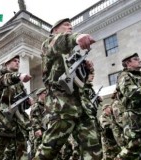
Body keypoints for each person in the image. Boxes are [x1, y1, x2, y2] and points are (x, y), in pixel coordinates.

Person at [33, 18, 97, 160]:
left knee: (94, 150)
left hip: (81, 107)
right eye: (66, 25)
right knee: (48, 153)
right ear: (55, 30)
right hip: (61, 107)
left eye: (71, 26)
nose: (71, 27)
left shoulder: (71, 56)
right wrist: (77, 37)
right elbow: (61, 42)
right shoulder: (49, 44)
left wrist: (87, 70)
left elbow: (81, 83)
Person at [0, 54, 33, 160]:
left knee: (22, 151)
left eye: (18, 61)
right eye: (14, 61)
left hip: (19, 123)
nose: (17, 62)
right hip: (5, 122)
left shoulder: (19, 84)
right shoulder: (0, 78)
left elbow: (22, 105)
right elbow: (7, 79)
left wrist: (28, 102)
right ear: (6, 64)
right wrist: (18, 76)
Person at [30, 87, 48, 159]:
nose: (46, 95)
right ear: (39, 95)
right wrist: (37, 129)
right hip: (39, 132)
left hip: (46, 131)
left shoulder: (47, 105)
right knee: (38, 151)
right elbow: (34, 118)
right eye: (44, 93)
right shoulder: (36, 106)